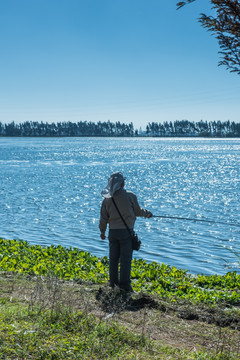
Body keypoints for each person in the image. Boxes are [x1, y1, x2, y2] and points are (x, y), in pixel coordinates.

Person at [99, 171, 152, 292]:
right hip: (126, 233)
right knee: (125, 260)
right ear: (122, 183)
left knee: (113, 259)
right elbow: (138, 212)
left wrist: (102, 232)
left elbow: (103, 218)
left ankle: (113, 283)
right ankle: (125, 286)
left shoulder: (107, 199)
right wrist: (147, 214)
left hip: (112, 233)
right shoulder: (130, 196)